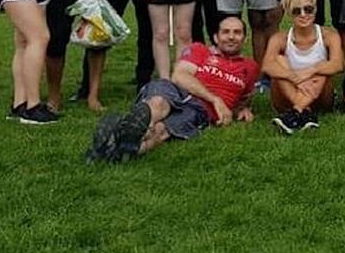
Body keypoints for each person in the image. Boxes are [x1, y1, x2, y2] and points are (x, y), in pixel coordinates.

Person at [84, 16, 259, 163]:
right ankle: (133, 132)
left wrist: (243, 109)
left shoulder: (250, 67)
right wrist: (215, 99)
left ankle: (116, 151)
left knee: (161, 132)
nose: (231, 37)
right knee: (158, 103)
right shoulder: (200, 50)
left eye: (237, 33)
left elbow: (243, 98)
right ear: (215, 37)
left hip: (200, 112)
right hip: (175, 90)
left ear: (245, 38)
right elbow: (180, 76)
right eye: (226, 32)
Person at [264, 0, 345, 134]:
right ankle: (303, 112)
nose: (303, 15)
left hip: (320, 96)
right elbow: (267, 66)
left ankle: (295, 113)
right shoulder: (279, 38)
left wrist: (311, 71)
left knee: (322, 69)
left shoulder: (329, 35)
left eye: (308, 9)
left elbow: (338, 65)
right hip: (285, 95)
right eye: (296, 11)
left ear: (315, 9)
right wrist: (295, 78)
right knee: (279, 61)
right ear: (288, 13)